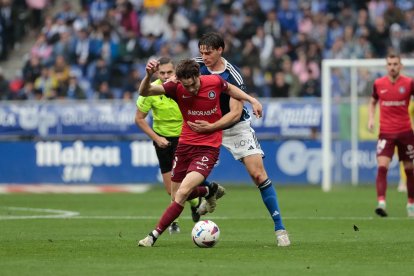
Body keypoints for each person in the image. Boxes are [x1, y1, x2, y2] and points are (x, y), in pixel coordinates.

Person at [137, 58, 262, 247]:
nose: (192, 89)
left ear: (198, 75)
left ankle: (152, 236)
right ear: (180, 81)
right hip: (185, 146)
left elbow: (231, 89)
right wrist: (147, 75)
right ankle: (209, 189)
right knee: (175, 192)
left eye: (194, 84)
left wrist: (252, 100)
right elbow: (144, 91)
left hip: (208, 147)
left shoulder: (213, 81)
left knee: (183, 192)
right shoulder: (175, 88)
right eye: (187, 86)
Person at [192, 32, 290, 246]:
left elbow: (235, 113)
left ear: (220, 50)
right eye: (201, 53)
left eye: (208, 53)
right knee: (188, 174)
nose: (204, 57)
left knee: (258, 174)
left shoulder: (233, 76)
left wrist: (212, 126)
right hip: (206, 126)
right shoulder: (195, 65)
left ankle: (280, 228)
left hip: (234, 127)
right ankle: (211, 191)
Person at [135, 57, 202, 234]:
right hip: (163, 141)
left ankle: (174, 222)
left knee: (182, 185)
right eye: (162, 73)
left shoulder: (184, 86)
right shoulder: (153, 90)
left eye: (169, 72)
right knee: (170, 189)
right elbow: (139, 119)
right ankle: (196, 202)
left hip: (185, 138)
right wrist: (157, 138)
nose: (165, 76)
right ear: (158, 73)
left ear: (176, 72)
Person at [368, 53, 414, 217]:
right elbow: (373, 101)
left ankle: (411, 203)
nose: (392, 67)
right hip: (386, 133)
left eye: (395, 64)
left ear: (400, 66)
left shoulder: (409, 83)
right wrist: (371, 118)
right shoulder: (378, 84)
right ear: (386, 66)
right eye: (390, 64)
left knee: (409, 169)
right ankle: (381, 203)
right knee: (382, 167)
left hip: (405, 133)